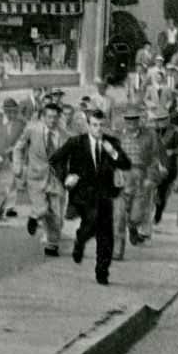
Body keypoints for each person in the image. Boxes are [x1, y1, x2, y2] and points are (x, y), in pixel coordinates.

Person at [51, 109, 131, 285]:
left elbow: (126, 163)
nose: (98, 129)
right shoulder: (76, 142)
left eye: (102, 125)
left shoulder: (111, 143)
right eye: (94, 125)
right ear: (88, 125)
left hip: (104, 195)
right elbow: (55, 159)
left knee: (106, 235)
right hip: (83, 195)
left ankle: (102, 272)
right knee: (91, 224)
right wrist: (66, 177)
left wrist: (113, 153)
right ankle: (80, 240)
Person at [13, 103, 69, 255]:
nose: (52, 120)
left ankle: (52, 245)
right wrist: (17, 166)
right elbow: (19, 147)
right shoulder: (33, 130)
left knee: (56, 215)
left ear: (59, 118)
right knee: (43, 209)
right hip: (36, 176)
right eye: (49, 117)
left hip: (56, 179)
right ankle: (34, 215)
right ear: (43, 117)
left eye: (55, 117)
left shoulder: (64, 135)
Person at [116, 105, 162, 253]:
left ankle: (132, 226)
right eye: (128, 119)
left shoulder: (149, 136)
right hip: (121, 177)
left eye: (134, 119)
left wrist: (151, 177)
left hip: (141, 178)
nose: (131, 122)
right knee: (119, 215)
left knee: (137, 215)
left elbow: (154, 158)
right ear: (124, 120)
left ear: (139, 120)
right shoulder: (118, 136)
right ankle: (117, 250)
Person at [151, 110, 178, 226]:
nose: (160, 122)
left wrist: (173, 151)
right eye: (158, 119)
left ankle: (158, 214)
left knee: (161, 191)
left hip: (169, 166)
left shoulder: (176, 132)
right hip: (154, 164)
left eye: (163, 119)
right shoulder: (153, 131)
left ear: (168, 119)